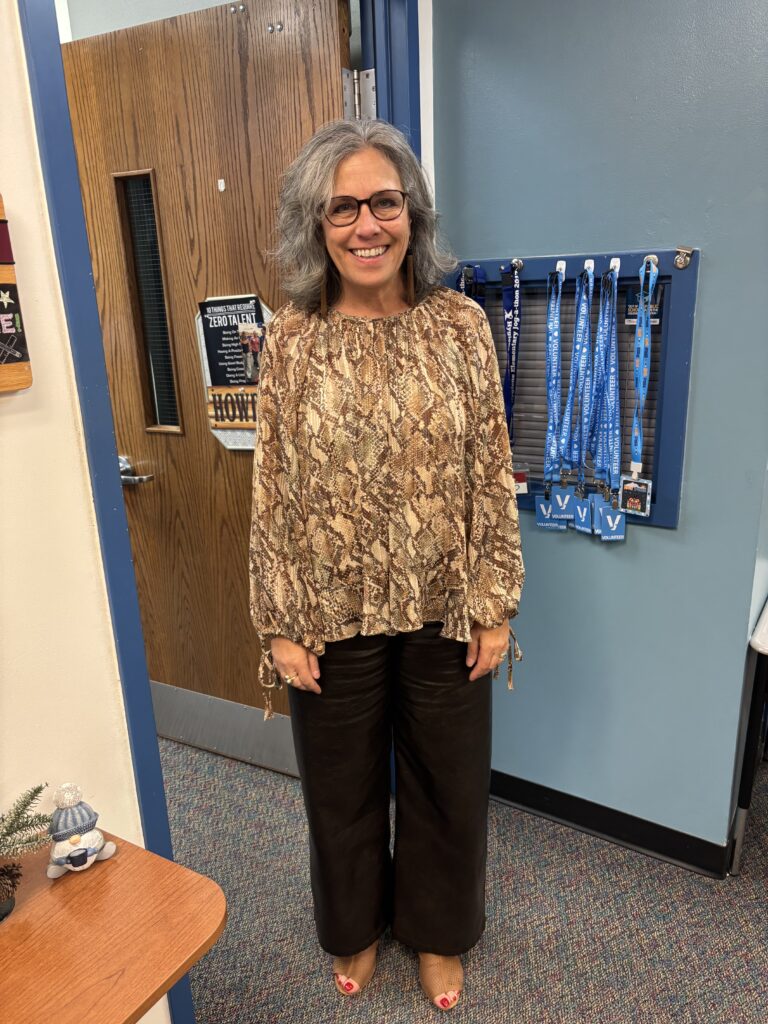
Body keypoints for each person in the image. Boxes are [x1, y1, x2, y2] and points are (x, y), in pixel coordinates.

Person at [249, 119, 524, 1011]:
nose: (366, 226)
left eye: (384, 203)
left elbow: (490, 465)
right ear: (315, 225)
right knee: (342, 789)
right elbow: (274, 488)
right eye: (342, 208)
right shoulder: (290, 342)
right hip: (331, 610)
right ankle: (355, 927)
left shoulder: (460, 328)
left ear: (412, 215)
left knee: (449, 784)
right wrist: (280, 622)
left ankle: (440, 935)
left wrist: (494, 602)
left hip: (446, 604)